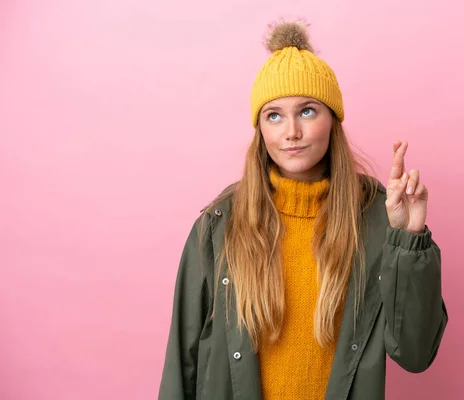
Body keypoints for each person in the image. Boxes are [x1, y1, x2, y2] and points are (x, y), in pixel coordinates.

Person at [157, 20, 448, 400]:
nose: (290, 131)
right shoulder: (219, 225)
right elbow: (182, 363)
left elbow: (415, 353)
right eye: (273, 115)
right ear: (259, 128)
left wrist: (407, 240)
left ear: (333, 120)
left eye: (307, 111)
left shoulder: (375, 218)